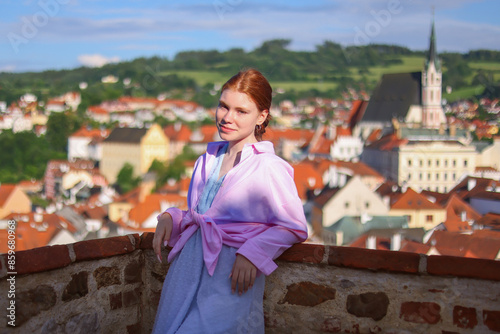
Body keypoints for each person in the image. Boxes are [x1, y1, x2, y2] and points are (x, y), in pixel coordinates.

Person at [152, 68, 308, 333]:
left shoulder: (269, 167)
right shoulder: (207, 160)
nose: (227, 117)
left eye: (241, 111)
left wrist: (253, 252)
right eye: (224, 106)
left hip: (228, 274)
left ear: (262, 116)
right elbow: (202, 213)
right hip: (187, 269)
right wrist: (173, 217)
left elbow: (294, 226)